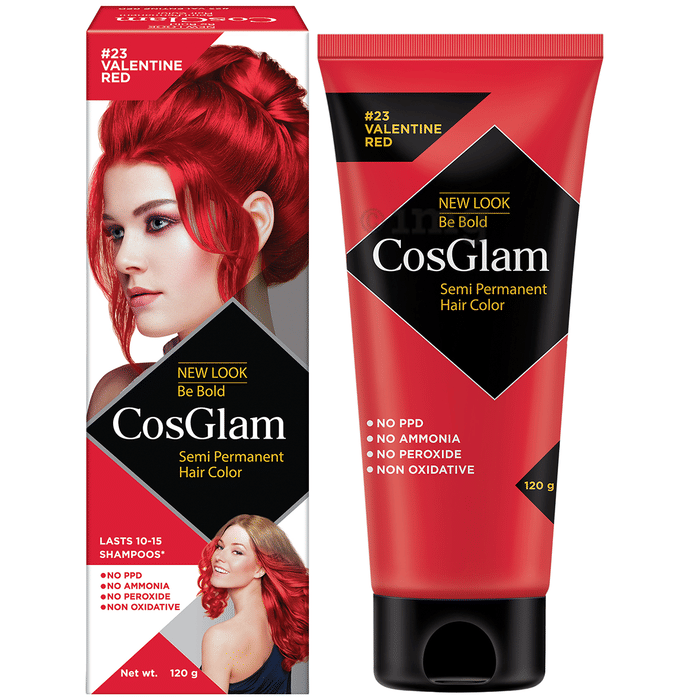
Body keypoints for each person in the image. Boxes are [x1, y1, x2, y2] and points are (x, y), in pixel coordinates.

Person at [86, 46, 308, 419]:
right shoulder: (121, 400)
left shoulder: (317, 402)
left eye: (157, 222)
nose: (123, 260)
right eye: (116, 232)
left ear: (254, 223)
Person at [197, 515, 308, 693]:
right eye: (221, 547)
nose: (219, 557)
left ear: (260, 568)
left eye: (237, 552)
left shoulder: (219, 638)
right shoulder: (281, 625)